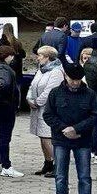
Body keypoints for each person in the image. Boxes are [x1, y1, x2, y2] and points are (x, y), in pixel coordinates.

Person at [44, 62, 97, 194]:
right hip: (61, 139)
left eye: (78, 79)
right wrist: (64, 129)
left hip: (83, 140)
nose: (75, 82)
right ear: (65, 76)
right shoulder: (55, 93)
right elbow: (48, 115)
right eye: (72, 79)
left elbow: (95, 116)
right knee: (61, 174)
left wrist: (76, 129)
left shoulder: (89, 94)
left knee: (84, 176)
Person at [0, 45, 23, 178]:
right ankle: (6, 165)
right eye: (11, 56)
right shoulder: (3, 68)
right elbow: (5, 85)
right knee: (4, 136)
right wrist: (2, 98)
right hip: (5, 106)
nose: (12, 58)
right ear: (7, 56)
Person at [28, 46, 65, 177]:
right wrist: (29, 98)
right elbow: (32, 85)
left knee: (47, 137)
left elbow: (50, 91)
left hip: (48, 109)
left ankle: (57, 165)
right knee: (42, 137)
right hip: (38, 108)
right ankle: (47, 163)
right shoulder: (41, 70)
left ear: (47, 57)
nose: (37, 58)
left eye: (40, 55)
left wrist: (37, 102)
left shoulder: (56, 71)